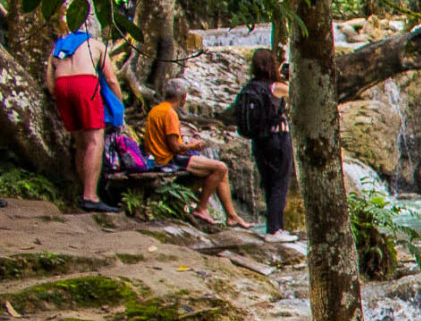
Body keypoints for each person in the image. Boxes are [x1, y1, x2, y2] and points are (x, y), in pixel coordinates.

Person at [141, 79, 242, 226]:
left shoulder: (156, 110)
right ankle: (201, 209)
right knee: (220, 168)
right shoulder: (169, 113)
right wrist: (192, 146)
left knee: (221, 171)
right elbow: (175, 147)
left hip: (156, 156)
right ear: (183, 97)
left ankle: (232, 216)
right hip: (167, 159)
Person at [46, 25, 125, 212]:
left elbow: (49, 84)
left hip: (61, 86)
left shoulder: (58, 47)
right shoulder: (95, 45)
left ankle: (84, 190)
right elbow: (111, 80)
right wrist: (119, 105)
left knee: (80, 142)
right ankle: (90, 196)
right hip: (86, 85)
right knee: (95, 140)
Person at [230, 48, 297, 241]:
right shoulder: (276, 87)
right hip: (277, 140)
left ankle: (272, 227)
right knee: (280, 183)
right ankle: (275, 230)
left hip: (259, 142)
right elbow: (297, 94)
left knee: (268, 183)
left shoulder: (250, 88)